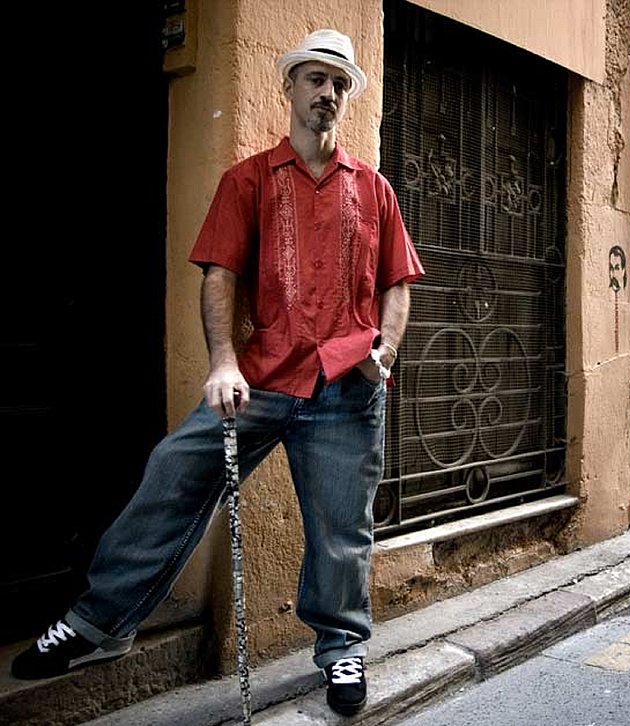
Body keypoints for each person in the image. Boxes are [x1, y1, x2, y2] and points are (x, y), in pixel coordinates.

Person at [10, 28, 424, 718]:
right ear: (288, 88)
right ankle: (99, 623)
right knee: (173, 472)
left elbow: (399, 285)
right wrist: (223, 363)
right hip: (259, 379)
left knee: (340, 530)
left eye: (339, 84)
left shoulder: (374, 189)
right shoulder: (249, 180)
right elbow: (220, 276)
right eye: (315, 79)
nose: (327, 93)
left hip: (345, 386)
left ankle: (341, 645)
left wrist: (385, 354)